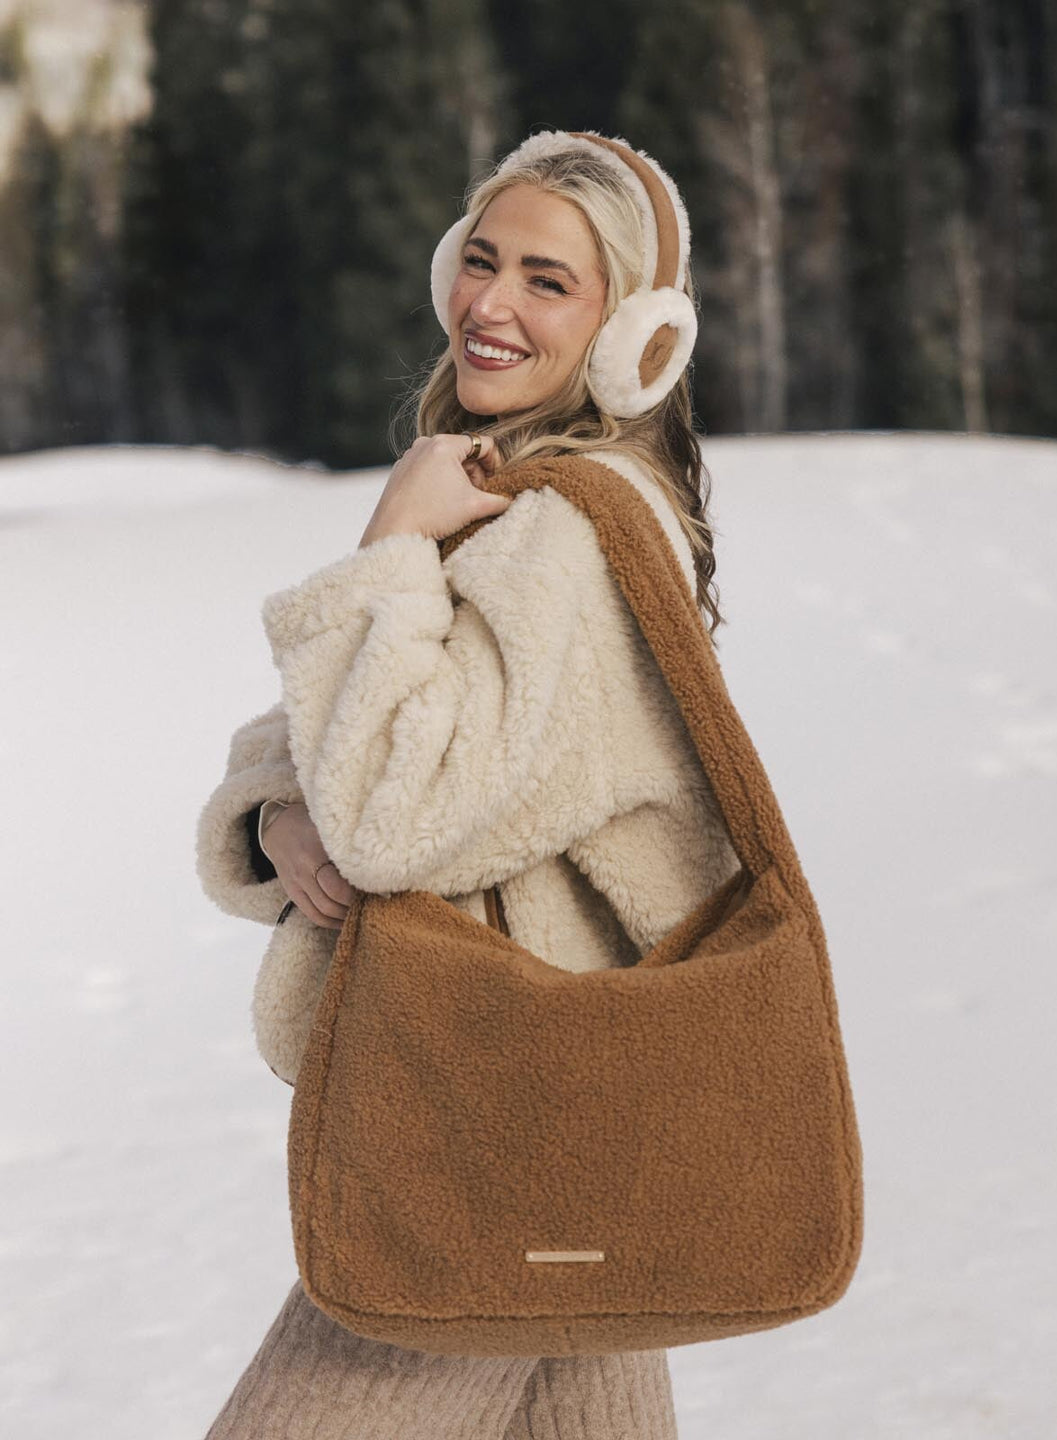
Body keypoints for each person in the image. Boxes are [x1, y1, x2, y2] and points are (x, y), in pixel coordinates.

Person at [195, 127, 742, 1440]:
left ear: (634, 332)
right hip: (562, 1109)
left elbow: (395, 815)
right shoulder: (515, 499)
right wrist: (280, 815)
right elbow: (332, 738)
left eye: (549, 281)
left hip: (500, 1130)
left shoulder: (570, 536)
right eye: (482, 261)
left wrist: (387, 541)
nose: (490, 304)